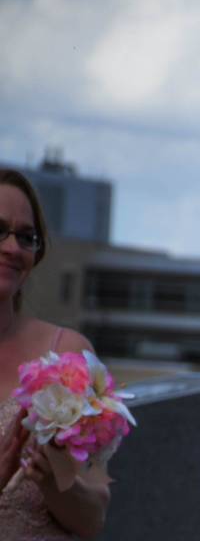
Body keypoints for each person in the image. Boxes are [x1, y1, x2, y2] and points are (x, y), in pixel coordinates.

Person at [0, 168, 111, 539]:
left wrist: (52, 482)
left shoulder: (67, 357)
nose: (13, 248)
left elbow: (92, 519)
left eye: (26, 237)